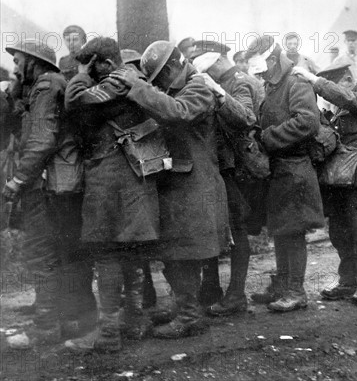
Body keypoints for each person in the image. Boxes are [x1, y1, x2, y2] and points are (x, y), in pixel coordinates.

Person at [111, 41, 230, 338]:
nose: (160, 83)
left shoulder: (198, 87)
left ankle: (190, 317)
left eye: (162, 75)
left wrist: (138, 87)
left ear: (176, 65)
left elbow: (178, 112)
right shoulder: (177, 89)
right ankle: (185, 308)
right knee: (175, 252)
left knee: (184, 253)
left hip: (194, 186)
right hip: (178, 184)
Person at [63, 37, 160, 353]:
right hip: (135, 174)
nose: (91, 74)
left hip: (111, 175)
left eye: (93, 67)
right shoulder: (136, 78)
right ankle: (132, 322)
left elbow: (74, 100)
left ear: (102, 63)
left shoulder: (118, 79)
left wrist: (80, 73)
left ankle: (107, 334)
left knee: (106, 251)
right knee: (130, 250)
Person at [3, 39, 97, 349]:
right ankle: (74, 320)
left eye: (18, 61)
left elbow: (41, 140)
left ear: (33, 61)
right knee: (65, 253)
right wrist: (15, 87)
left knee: (40, 253)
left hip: (44, 187)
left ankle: (46, 326)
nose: (15, 67)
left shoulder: (44, 86)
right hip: (61, 186)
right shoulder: (51, 84)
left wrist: (17, 180)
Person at [293, 58, 357, 305]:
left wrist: (315, 81)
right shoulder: (337, 108)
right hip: (339, 177)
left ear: (347, 79)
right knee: (339, 231)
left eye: (335, 82)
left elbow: (349, 100)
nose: (330, 89)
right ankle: (347, 281)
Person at [245, 35, 324, 312]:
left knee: (293, 232)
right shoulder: (273, 84)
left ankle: (296, 291)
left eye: (263, 67)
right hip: (281, 169)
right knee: (281, 230)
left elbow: (308, 121)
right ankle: (282, 285)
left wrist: (268, 138)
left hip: (295, 167)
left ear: (271, 59)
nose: (262, 73)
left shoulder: (295, 82)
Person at [192, 40, 260, 316]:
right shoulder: (222, 80)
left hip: (237, 169)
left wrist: (218, 92)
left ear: (219, 60)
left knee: (237, 229)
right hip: (219, 167)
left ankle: (236, 294)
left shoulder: (238, 82)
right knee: (219, 227)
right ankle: (212, 289)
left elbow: (246, 118)